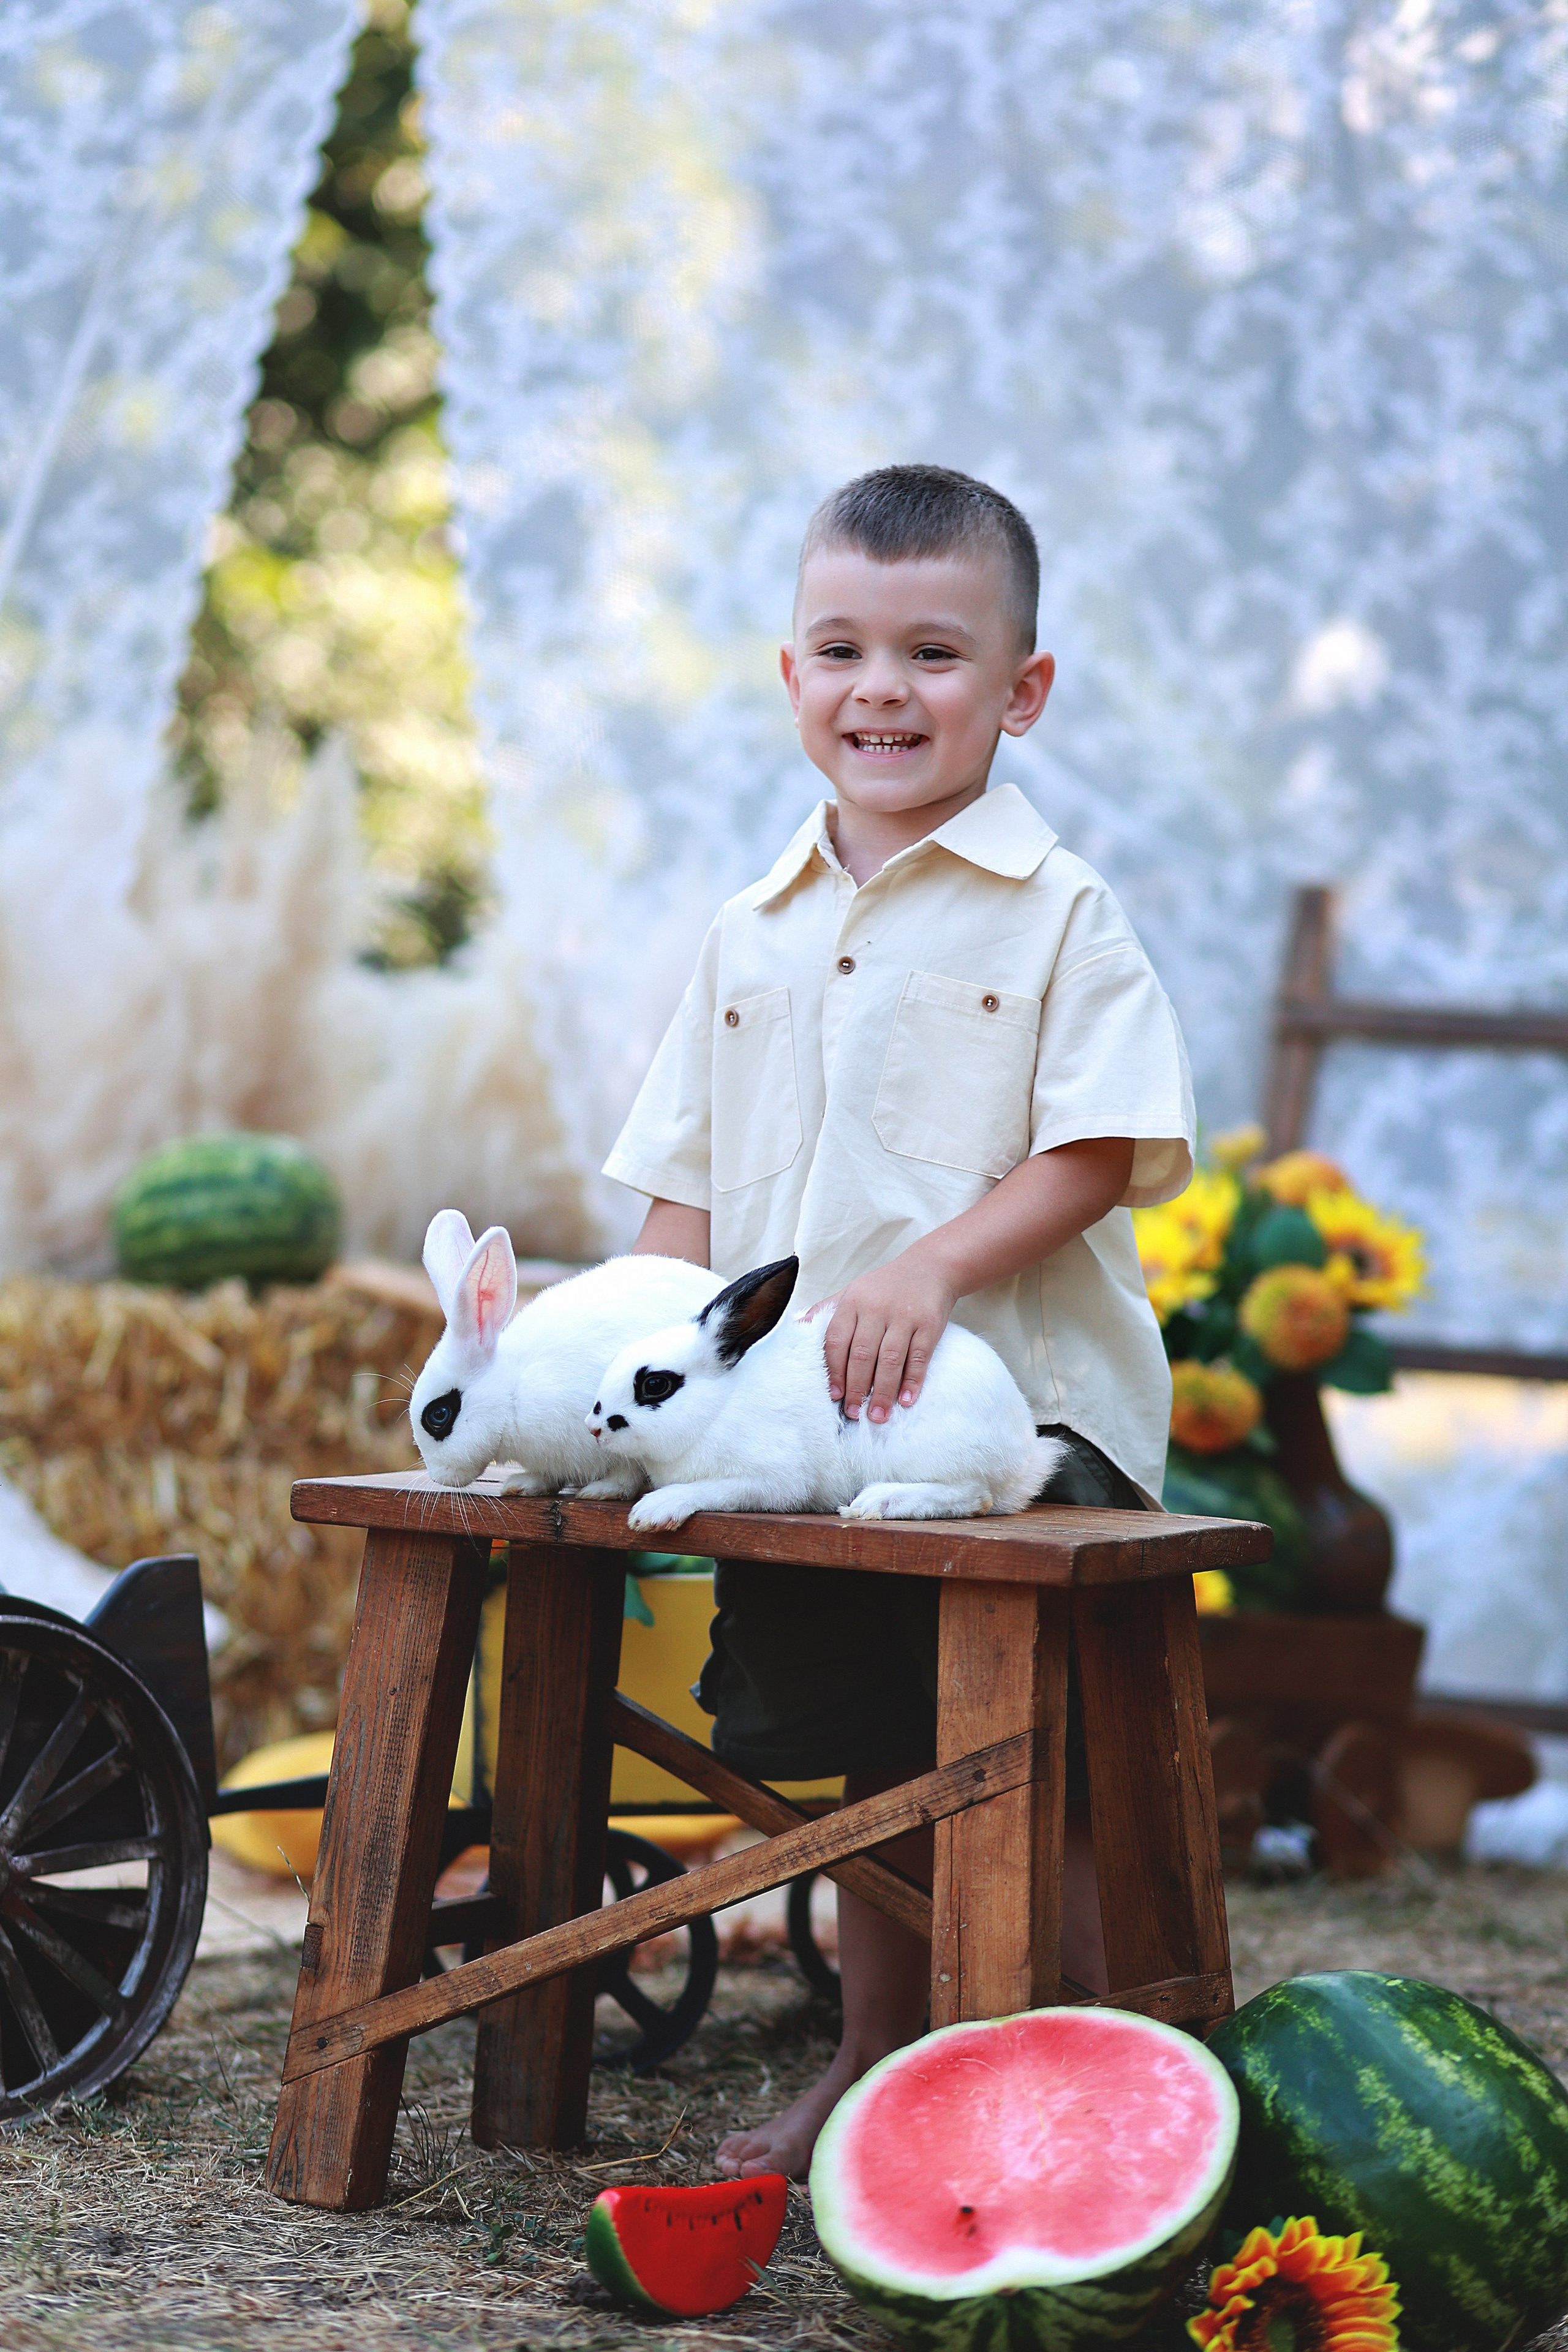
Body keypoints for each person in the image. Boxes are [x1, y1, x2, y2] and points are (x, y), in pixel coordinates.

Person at [602, 462, 1194, 2178]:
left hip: (1016, 1430)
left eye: (935, 654)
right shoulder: (748, 931)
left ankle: (1109, 2072)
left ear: (1023, 692)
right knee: (866, 1753)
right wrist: (625, 1394)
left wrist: (931, 1267)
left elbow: (1099, 1145)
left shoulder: (1059, 909)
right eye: (843, 648)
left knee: (1037, 1752)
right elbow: (681, 1208)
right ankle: (876, 2067)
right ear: (789, 677)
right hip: (809, 1446)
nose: (884, 689)